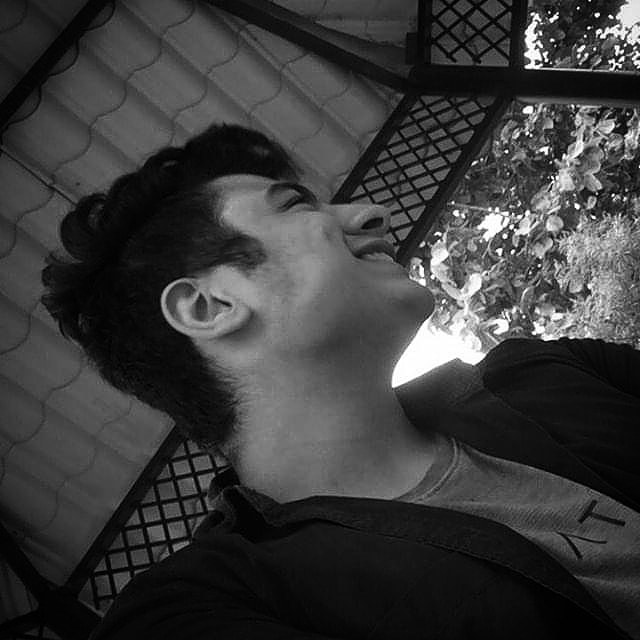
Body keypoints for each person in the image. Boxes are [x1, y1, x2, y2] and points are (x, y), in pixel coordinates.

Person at [42, 123, 640, 640]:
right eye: (296, 206)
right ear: (210, 306)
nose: (371, 213)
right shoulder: (198, 607)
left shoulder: (543, 371)